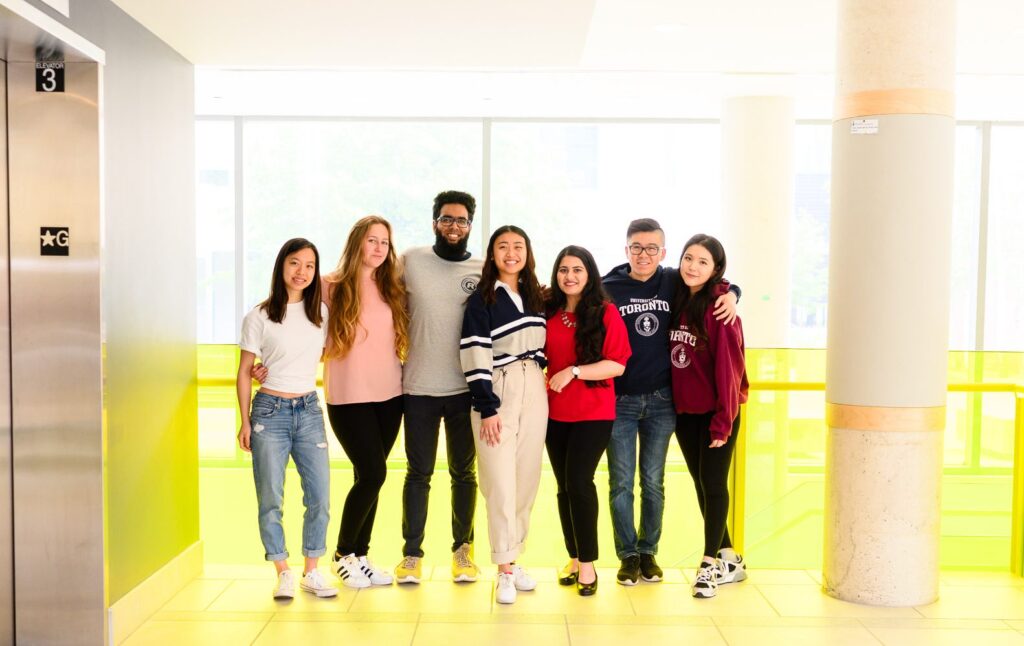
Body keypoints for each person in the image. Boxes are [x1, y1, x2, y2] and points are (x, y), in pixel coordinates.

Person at [602, 218, 740, 586]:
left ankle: (649, 553)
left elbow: (715, 280)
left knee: (653, 481)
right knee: (620, 483)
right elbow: (575, 294)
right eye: (636, 247)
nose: (644, 255)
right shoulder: (608, 286)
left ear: (663, 253)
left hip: (664, 401)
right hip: (622, 400)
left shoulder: (674, 280)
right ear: (626, 249)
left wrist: (733, 293)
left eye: (652, 249)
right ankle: (627, 556)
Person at [236, 238, 337, 600]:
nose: (302, 272)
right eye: (295, 263)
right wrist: (245, 421)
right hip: (269, 413)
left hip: (309, 410)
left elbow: (323, 355)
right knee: (270, 497)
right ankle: (283, 571)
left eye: (310, 266)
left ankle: (313, 570)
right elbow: (245, 371)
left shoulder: (321, 315)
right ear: (282, 266)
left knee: (320, 496)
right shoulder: (259, 316)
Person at [395, 190, 483, 584]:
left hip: (465, 390)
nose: (454, 226)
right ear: (435, 223)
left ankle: (463, 552)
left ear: (469, 226)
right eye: (447, 219)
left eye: (461, 220)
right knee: (418, 473)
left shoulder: (483, 268)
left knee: (464, 474)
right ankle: (411, 555)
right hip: (417, 389)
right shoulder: (411, 260)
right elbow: (370, 288)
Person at [459, 225, 548, 605]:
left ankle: (514, 557)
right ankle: (503, 571)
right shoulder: (482, 300)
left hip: (535, 386)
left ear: (527, 252)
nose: (511, 253)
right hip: (499, 387)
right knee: (499, 481)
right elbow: (474, 351)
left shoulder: (536, 296)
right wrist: (487, 406)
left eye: (518, 246)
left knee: (526, 478)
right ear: (492, 254)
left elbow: (592, 285)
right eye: (502, 247)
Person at [321, 216, 408, 589]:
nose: (378, 248)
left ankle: (360, 556)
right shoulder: (328, 286)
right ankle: (342, 554)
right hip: (348, 395)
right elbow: (294, 322)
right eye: (372, 240)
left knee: (368, 477)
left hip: (390, 394)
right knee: (373, 473)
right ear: (356, 242)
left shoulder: (392, 287)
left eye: (384, 243)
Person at [544, 246, 631, 597]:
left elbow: (618, 364)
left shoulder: (605, 312)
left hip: (593, 413)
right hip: (553, 413)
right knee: (564, 486)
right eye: (563, 270)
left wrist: (574, 371)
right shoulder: (547, 310)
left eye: (577, 270)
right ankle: (574, 555)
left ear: (589, 274)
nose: (570, 276)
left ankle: (589, 564)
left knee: (580, 482)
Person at [669, 234, 749, 599]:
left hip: (718, 415)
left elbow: (730, 372)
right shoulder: (678, 295)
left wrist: (724, 421)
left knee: (715, 485)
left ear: (716, 268)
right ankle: (730, 557)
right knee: (703, 485)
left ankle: (708, 566)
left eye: (702, 261)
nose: (692, 266)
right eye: (688, 258)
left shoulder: (721, 310)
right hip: (687, 414)